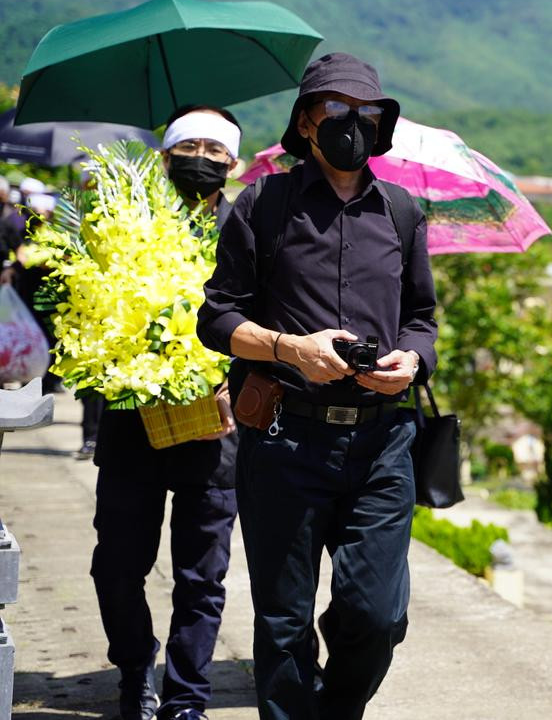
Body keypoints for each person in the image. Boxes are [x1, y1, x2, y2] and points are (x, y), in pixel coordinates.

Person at [196, 52, 437, 720]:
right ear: (305, 122)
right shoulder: (263, 204)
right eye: (335, 110)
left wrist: (412, 362)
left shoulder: (401, 213)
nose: (351, 125)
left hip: (383, 443)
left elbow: (422, 320)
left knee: (378, 615)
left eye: (366, 114)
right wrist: (288, 350)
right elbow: (217, 318)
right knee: (282, 623)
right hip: (284, 440)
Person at [90, 106, 243, 720]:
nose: (200, 158)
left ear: (232, 163)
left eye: (214, 148)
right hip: (132, 425)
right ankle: (134, 669)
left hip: (218, 429)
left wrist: (237, 381)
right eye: (188, 146)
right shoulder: (124, 229)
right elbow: (89, 307)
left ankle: (186, 697)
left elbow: (270, 318)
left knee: (202, 577)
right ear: (164, 157)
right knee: (116, 567)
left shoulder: (248, 231)